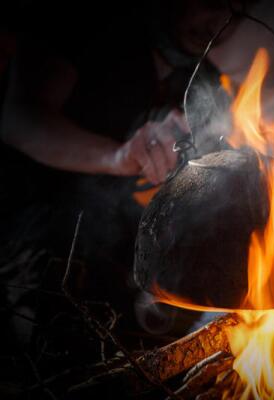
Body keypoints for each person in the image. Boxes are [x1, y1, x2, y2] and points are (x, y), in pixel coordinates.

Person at [0, 0, 240, 344]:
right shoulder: (87, 29)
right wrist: (118, 155)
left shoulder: (204, 80)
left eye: (236, 8)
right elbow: (18, 120)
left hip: (120, 256)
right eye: (211, 2)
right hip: (36, 240)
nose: (220, 19)